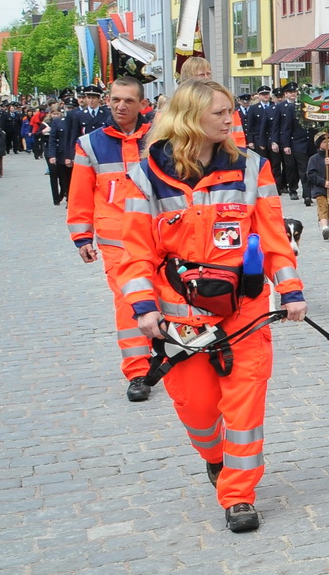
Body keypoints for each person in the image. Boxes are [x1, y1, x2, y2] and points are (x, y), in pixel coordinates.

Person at [120, 79, 307, 533]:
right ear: (191, 118)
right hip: (180, 319)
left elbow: (274, 236)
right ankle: (214, 457)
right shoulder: (146, 176)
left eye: (231, 112)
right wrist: (144, 307)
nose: (231, 119)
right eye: (221, 113)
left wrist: (291, 289)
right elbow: (135, 252)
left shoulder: (251, 168)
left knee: (244, 407)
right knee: (198, 408)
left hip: (244, 311)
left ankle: (239, 494)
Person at [67, 76, 157, 400]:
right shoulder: (90, 144)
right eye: (116, 99)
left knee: (167, 296)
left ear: (141, 105)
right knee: (128, 303)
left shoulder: (160, 137)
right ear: (108, 100)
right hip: (116, 240)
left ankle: (170, 353)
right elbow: (78, 194)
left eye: (128, 101)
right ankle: (138, 371)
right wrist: (81, 236)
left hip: (159, 236)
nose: (121, 106)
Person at [305, 132, 329, 241]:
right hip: (320, 188)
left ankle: (326, 228)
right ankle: (324, 227)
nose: (328, 144)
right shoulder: (314, 159)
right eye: (324, 142)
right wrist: (322, 182)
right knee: (323, 207)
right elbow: (311, 174)